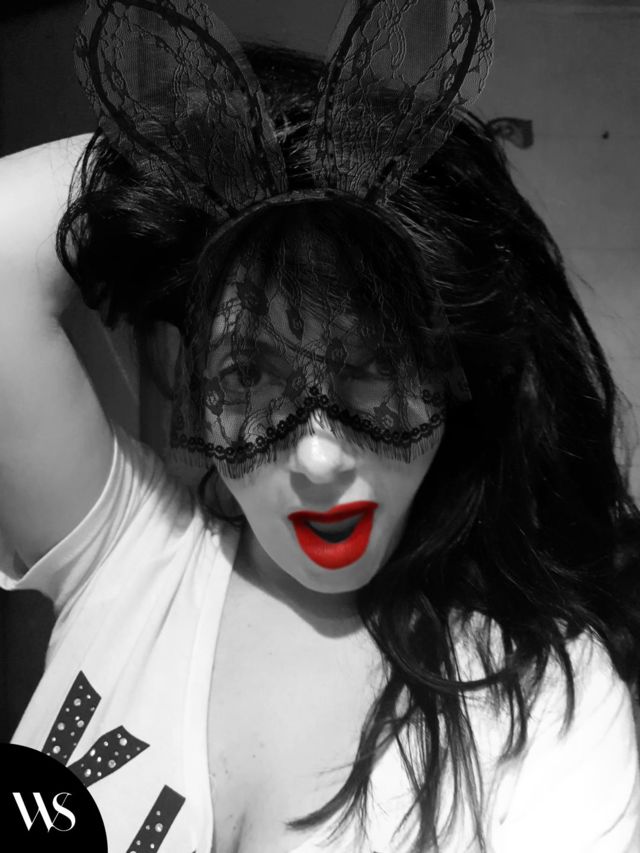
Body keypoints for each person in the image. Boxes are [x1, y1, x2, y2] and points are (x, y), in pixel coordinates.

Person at [1, 0, 640, 851]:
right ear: (197, 383)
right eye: (248, 372)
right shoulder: (128, 556)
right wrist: (236, 170)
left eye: (375, 368)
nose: (317, 458)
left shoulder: (549, 706)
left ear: (448, 375)